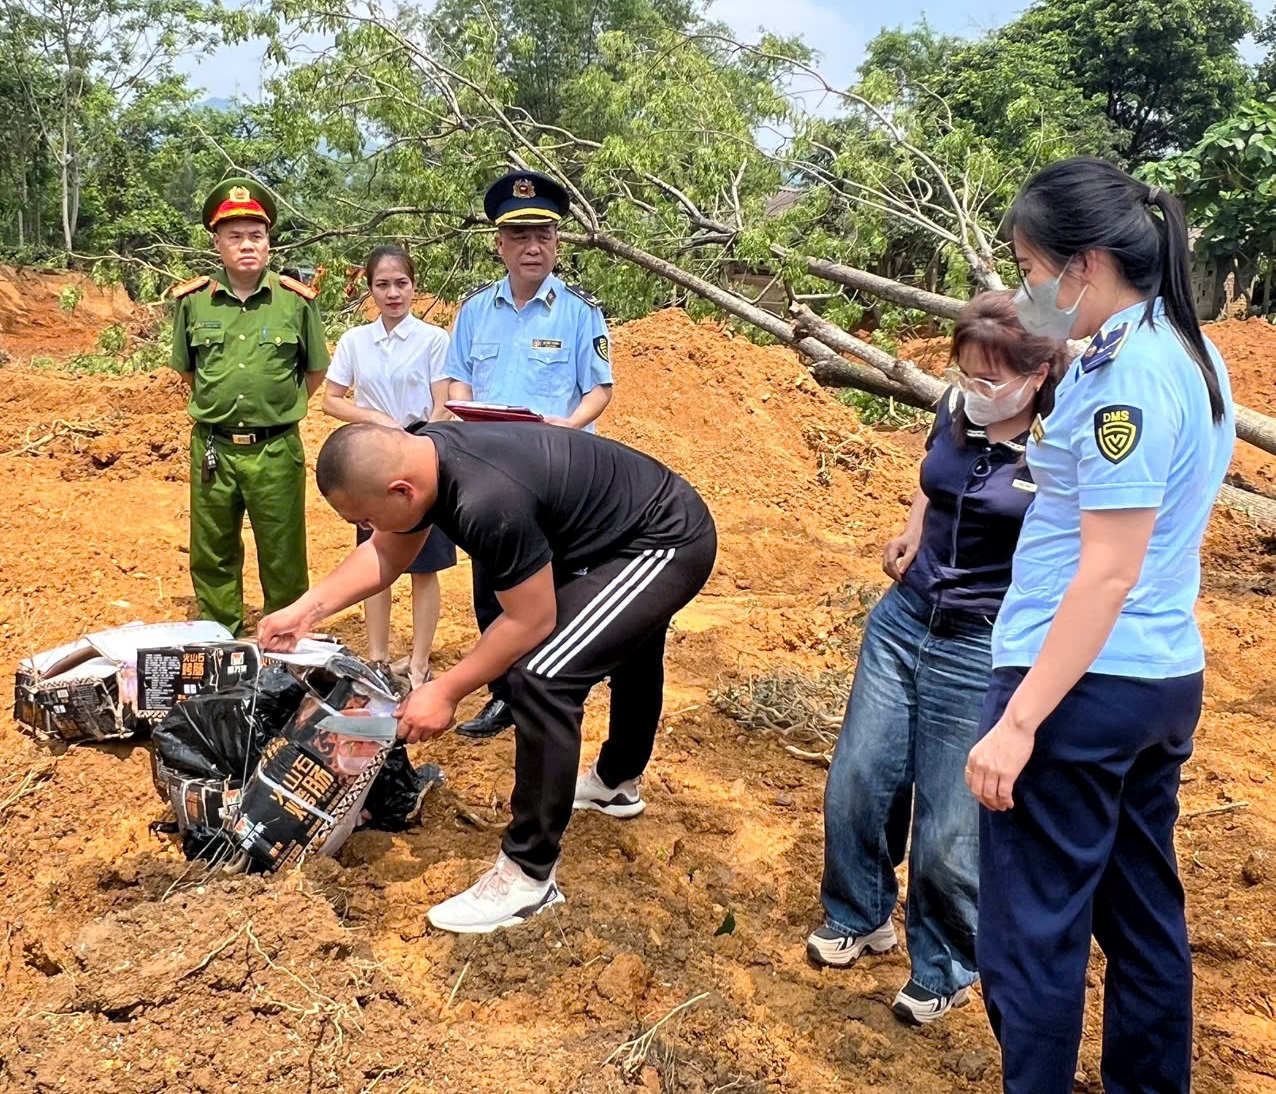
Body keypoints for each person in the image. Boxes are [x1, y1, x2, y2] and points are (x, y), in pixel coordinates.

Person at [964, 158, 1235, 1093]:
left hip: (1080, 686)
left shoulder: (1126, 382)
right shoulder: (1189, 352)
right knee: (1141, 915)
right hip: (1158, 680)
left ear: (1083, 265)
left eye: (1031, 266)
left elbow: (1108, 570)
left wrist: (1020, 721)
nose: (1026, 289)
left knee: (1032, 935)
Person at [256, 421, 716, 934]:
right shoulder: (422, 452)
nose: (366, 527)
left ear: (401, 491)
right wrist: (306, 611)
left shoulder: (487, 500)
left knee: (543, 673)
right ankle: (615, 783)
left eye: (365, 517)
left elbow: (530, 620)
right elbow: (387, 552)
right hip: (613, 531)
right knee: (621, 640)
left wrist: (447, 689)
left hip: (662, 539)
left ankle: (527, 877)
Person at [807, 291, 1067, 1026]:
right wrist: (913, 529)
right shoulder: (956, 409)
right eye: (966, 375)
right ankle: (860, 913)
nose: (977, 393)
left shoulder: (1060, 445)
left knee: (952, 823)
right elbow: (936, 475)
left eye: (993, 381)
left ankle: (948, 963)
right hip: (903, 618)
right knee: (860, 776)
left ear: (1039, 372)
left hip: (981, 641)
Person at [442, 170, 615, 739]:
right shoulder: (474, 311)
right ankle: (503, 696)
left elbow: (599, 389)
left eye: (542, 234)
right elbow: (456, 380)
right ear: (500, 244)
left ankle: (549, 690)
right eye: (519, 237)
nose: (532, 246)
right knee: (493, 587)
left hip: (556, 473)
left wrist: (566, 427)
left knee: (557, 586)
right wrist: (465, 418)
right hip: (489, 473)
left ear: (558, 243)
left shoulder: (580, 312)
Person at [170, 177, 329, 636]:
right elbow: (187, 370)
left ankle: (284, 641)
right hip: (213, 449)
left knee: (283, 551)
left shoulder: (294, 302)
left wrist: (276, 408)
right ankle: (221, 639)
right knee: (212, 549)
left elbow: (314, 371)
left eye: (255, 236)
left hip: (275, 448)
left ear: (269, 242)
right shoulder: (194, 301)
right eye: (235, 236)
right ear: (217, 242)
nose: (246, 245)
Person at [323, 244, 455, 688]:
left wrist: (421, 448)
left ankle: (418, 663)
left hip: (421, 467)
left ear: (414, 286)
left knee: (424, 566)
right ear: (370, 290)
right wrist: (375, 419)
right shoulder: (355, 342)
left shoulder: (434, 340)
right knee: (375, 562)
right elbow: (331, 399)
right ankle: (377, 660)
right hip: (373, 471)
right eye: (383, 285)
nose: (393, 293)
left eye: (401, 283)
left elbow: (444, 404)